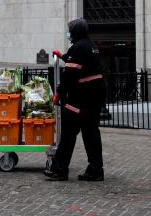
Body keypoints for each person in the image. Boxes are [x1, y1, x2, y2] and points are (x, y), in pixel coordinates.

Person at [44, 18, 106, 182]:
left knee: (68, 132)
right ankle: (95, 169)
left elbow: (69, 75)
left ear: (75, 32)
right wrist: (64, 56)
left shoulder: (78, 47)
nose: (69, 34)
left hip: (81, 97)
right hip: (95, 95)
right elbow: (80, 63)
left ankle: (59, 169)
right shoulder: (91, 46)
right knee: (91, 132)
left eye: (70, 31)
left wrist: (59, 93)